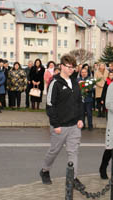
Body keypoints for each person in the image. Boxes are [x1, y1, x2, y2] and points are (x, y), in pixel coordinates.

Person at [40, 54, 84, 186]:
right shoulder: (55, 83)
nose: (71, 70)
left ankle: (73, 178)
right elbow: (50, 105)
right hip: (59, 126)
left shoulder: (75, 83)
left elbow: (79, 102)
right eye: (69, 67)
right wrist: (55, 124)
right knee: (54, 151)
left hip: (74, 125)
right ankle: (45, 170)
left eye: (73, 67)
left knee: (73, 152)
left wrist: (81, 118)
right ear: (62, 66)